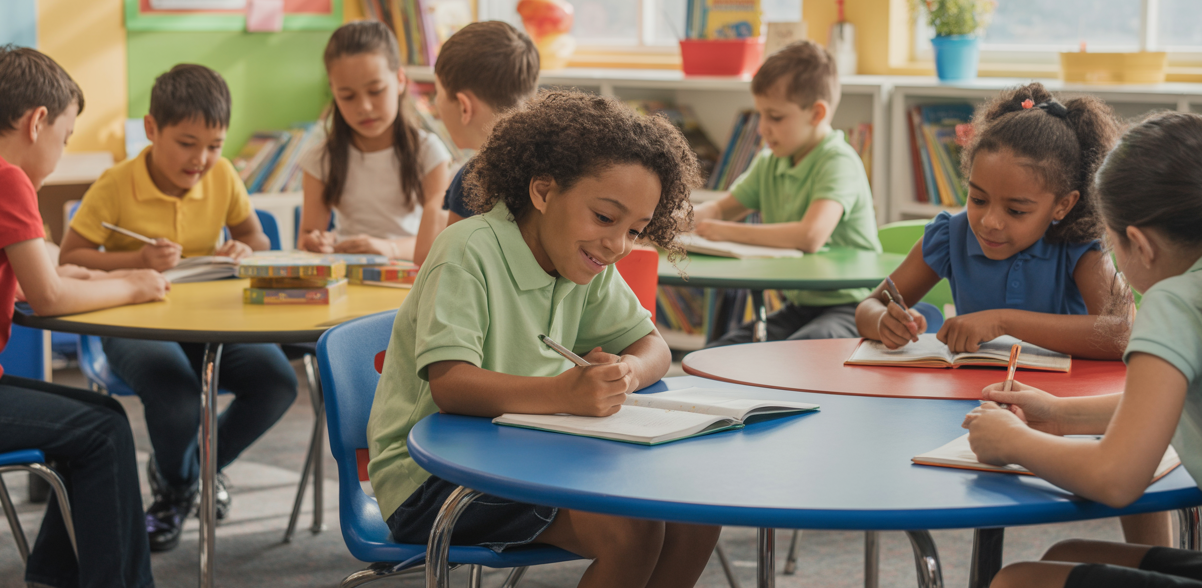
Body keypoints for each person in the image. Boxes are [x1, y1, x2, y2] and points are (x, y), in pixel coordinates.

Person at [368, 91, 720, 588]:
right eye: (604, 217)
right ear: (542, 192)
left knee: (695, 515)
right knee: (630, 536)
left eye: (635, 229)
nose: (617, 244)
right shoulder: (467, 250)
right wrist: (566, 395)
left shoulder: (586, 260)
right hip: (434, 477)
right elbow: (452, 386)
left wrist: (628, 372)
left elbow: (654, 346)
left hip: (530, 453)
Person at [965, 111, 1202, 587]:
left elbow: (1116, 478)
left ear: (1139, 243)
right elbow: (1187, 398)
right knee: (1068, 554)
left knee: (1017, 581)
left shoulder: (1174, 303)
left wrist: (1012, 442)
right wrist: (1061, 415)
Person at [0, 45, 168, 588]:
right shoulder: (5, 178)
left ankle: (54, 577)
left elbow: (18, 277)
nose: (60, 154)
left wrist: (87, 278)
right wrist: (133, 284)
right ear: (37, 121)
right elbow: (49, 298)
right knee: (106, 428)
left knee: (92, 419)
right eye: (64, 138)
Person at [58, 64, 297, 552]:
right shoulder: (115, 183)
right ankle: (182, 488)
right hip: (131, 319)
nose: (202, 159)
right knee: (177, 396)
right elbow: (70, 259)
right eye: (187, 143)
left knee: (277, 382)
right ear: (151, 130)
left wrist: (244, 249)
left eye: (214, 145)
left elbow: (256, 236)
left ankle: (185, 480)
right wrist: (138, 259)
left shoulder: (224, 175)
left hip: (209, 319)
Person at [856, 84, 1129, 359]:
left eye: (1016, 211)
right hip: (974, 396)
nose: (990, 222)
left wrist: (1003, 322)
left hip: (1059, 399)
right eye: (978, 199)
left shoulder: (1078, 245)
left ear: (1063, 205)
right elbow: (869, 306)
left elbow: (1124, 333)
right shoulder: (949, 237)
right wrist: (883, 322)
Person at [692, 41, 881, 345]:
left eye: (775, 117)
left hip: (856, 306)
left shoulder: (838, 161)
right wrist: (681, 220)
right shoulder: (770, 161)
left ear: (817, 113)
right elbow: (719, 210)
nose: (762, 128)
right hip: (800, 308)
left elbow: (810, 236)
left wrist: (724, 232)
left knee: (797, 355)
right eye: (760, 115)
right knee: (718, 353)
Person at [297, 21, 451, 265]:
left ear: (400, 80)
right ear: (333, 91)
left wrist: (387, 248)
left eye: (376, 90)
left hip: (409, 274)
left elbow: (440, 240)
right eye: (347, 96)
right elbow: (307, 238)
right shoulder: (320, 159)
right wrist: (315, 242)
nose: (364, 107)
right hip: (347, 275)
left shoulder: (428, 152)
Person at [432, 20, 540, 225]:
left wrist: (432, 199)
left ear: (465, 107)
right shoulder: (559, 166)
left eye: (437, 93)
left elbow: (452, 256)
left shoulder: (472, 179)